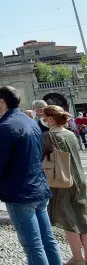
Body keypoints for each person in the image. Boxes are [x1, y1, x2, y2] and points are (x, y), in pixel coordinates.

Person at [0, 86, 61, 265]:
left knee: (33, 246)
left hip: (20, 191)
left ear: (2, 102)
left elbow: (0, 162)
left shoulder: (5, 126)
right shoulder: (30, 121)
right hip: (39, 186)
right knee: (48, 240)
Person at [43, 105, 87, 265]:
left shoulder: (47, 136)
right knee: (82, 217)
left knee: (69, 220)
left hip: (62, 181)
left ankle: (77, 257)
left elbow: (43, 160)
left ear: (50, 119)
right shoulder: (71, 134)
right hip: (79, 178)